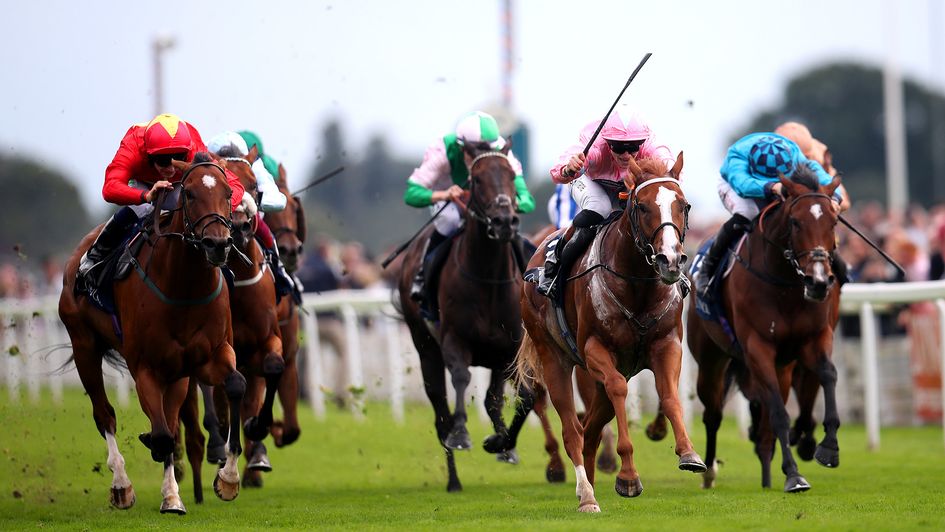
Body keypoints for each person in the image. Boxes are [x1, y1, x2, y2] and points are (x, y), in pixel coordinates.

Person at [78, 114, 249, 278]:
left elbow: (235, 185)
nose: (171, 166)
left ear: (186, 151)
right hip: (142, 185)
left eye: (179, 158)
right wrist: (146, 195)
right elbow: (109, 188)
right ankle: (95, 254)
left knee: (196, 205)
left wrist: (219, 207)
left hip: (176, 186)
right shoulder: (133, 144)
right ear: (148, 154)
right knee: (141, 208)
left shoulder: (193, 143)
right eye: (162, 160)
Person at [537, 107, 674, 298]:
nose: (626, 154)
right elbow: (558, 171)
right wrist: (569, 168)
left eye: (633, 146)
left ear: (642, 143)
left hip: (625, 190)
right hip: (591, 182)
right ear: (608, 143)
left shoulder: (651, 148)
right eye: (619, 147)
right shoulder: (596, 147)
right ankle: (554, 263)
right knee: (599, 207)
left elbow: (670, 170)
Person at [403, 110, 536, 304]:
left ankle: (533, 281)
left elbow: (527, 200)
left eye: (487, 150)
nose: (481, 158)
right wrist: (444, 194)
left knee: (507, 225)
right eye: (474, 151)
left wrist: (509, 205)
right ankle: (423, 278)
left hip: (486, 204)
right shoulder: (443, 150)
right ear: (461, 147)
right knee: (449, 221)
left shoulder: (504, 156)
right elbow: (412, 193)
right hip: (449, 198)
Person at [693, 131, 841, 299]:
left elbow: (821, 176)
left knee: (810, 217)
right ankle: (707, 268)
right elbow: (743, 185)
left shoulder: (793, 154)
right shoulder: (737, 159)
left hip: (781, 180)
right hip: (735, 185)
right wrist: (771, 187)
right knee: (747, 213)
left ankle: (838, 269)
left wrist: (833, 198)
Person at [207, 130, 298, 301]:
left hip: (248, 214)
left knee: (266, 232)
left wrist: (251, 200)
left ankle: (279, 272)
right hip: (216, 217)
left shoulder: (256, 165)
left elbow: (277, 202)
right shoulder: (208, 164)